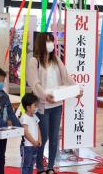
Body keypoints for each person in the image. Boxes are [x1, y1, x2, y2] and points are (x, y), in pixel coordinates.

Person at [27, 33, 81, 174]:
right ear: (41, 43)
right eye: (48, 41)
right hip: (42, 106)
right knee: (43, 137)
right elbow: (34, 83)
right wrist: (45, 95)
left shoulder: (56, 60)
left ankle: (50, 166)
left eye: (52, 41)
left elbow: (66, 77)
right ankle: (39, 166)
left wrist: (77, 89)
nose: (51, 44)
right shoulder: (34, 61)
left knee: (54, 137)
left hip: (57, 105)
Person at [20, 93, 41, 174]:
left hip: (35, 145)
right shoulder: (24, 118)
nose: (36, 107)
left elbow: (38, 129)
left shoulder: (35, 117)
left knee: (32, 164)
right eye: (35, 105)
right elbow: (25, 132)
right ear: (28, 107)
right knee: (26, 164)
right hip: (27, 146)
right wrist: (33, 141)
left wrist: (39, 139)